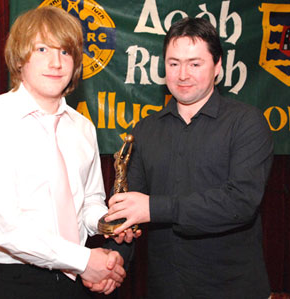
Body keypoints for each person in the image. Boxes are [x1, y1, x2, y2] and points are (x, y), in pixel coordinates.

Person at [0, 6, 125, 298]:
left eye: (66, 52)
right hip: (15, 282)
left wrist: (105, 223)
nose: (56, 62)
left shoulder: (83, 127)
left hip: (78, 282)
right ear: (20, 57)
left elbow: (90, 200)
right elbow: (5, 227)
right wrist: (87, 262)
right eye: (43, 49)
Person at [105, 17, 274, 298]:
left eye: (195, 64)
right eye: (174, 63)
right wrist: (113, 260)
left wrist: (154, 209)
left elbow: (240, 202)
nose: (182, 74)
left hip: (234, 289)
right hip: (165, 288)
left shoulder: (246, 123)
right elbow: (128, 208)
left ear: (217, 67)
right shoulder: (144, 130)